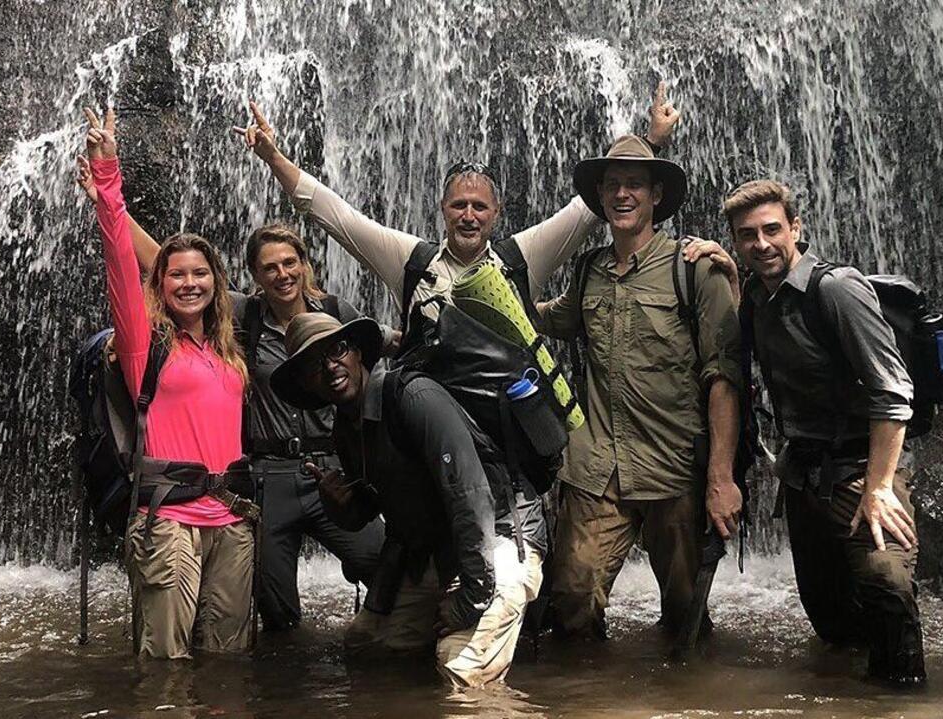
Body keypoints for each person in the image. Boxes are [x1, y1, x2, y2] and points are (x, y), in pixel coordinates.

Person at [75, 170, 389, 634]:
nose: (282, 273)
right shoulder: (243, 318)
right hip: (263, 476)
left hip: (314, 473)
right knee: (274, 608)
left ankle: (381, 641)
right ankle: (285, 686)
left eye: (290, 262)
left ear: (306, 263)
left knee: (381, 559)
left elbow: (381, 368)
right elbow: (167, 268)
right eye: (269, 267)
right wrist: (111, 202)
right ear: (254, 278)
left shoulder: (337, 317)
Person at [233, 85, 680, 328]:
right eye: (459, 205)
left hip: (505, 444)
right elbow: (333, 213)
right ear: (443, 209)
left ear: (497, 212)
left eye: (480, 207)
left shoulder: (521, 257)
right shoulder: (410, 259)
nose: (469, 215)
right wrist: (274, 157)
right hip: (428, 445)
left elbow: (590, 206)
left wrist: (651, 141)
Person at [715, 179, 925, 685]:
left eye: (772, 230)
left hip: (862, 468)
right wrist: (720, 268)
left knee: (885, 580)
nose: (761, 244)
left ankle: (906, 698)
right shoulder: (757, 300)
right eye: (747, 236)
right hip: (805, 475)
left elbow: (893, 391)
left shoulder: (836, 288)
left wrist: (879, 488)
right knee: (829, 616)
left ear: (796, 228)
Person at [535, 135, 743, 640]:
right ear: (601, 197)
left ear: (655, 196)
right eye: (612, 186)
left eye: (633, 185)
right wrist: (476, 290)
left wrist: (721, 478)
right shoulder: (587, 271)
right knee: (571, 600)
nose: (621, 194)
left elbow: (724, 377)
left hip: (674, 468)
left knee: (685, 613)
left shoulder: (694, 270)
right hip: (597, 467)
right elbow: (541, 319)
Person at [269, 311, 547, 688]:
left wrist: (471, 597)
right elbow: (375, 507)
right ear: (305, 383)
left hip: (498, 538)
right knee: (369, 647)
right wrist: (339, 505)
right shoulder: (346, 429)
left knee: (459, 670)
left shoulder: (414, 397)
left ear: (357, 353)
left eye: (337, 349)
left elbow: (472, 497)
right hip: (438, 549)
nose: (330, 366)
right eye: (313, 365)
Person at [84, 107, 255, 658]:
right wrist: (109, 179)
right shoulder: (145, 343)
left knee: (227, 664)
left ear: (216, 283)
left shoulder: (231, 350)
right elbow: (119, 262)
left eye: (199, 273)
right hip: (168, 521)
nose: (188, 283)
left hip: (231, 519)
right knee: (165, 666)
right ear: (161, 282)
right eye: (176, 274)